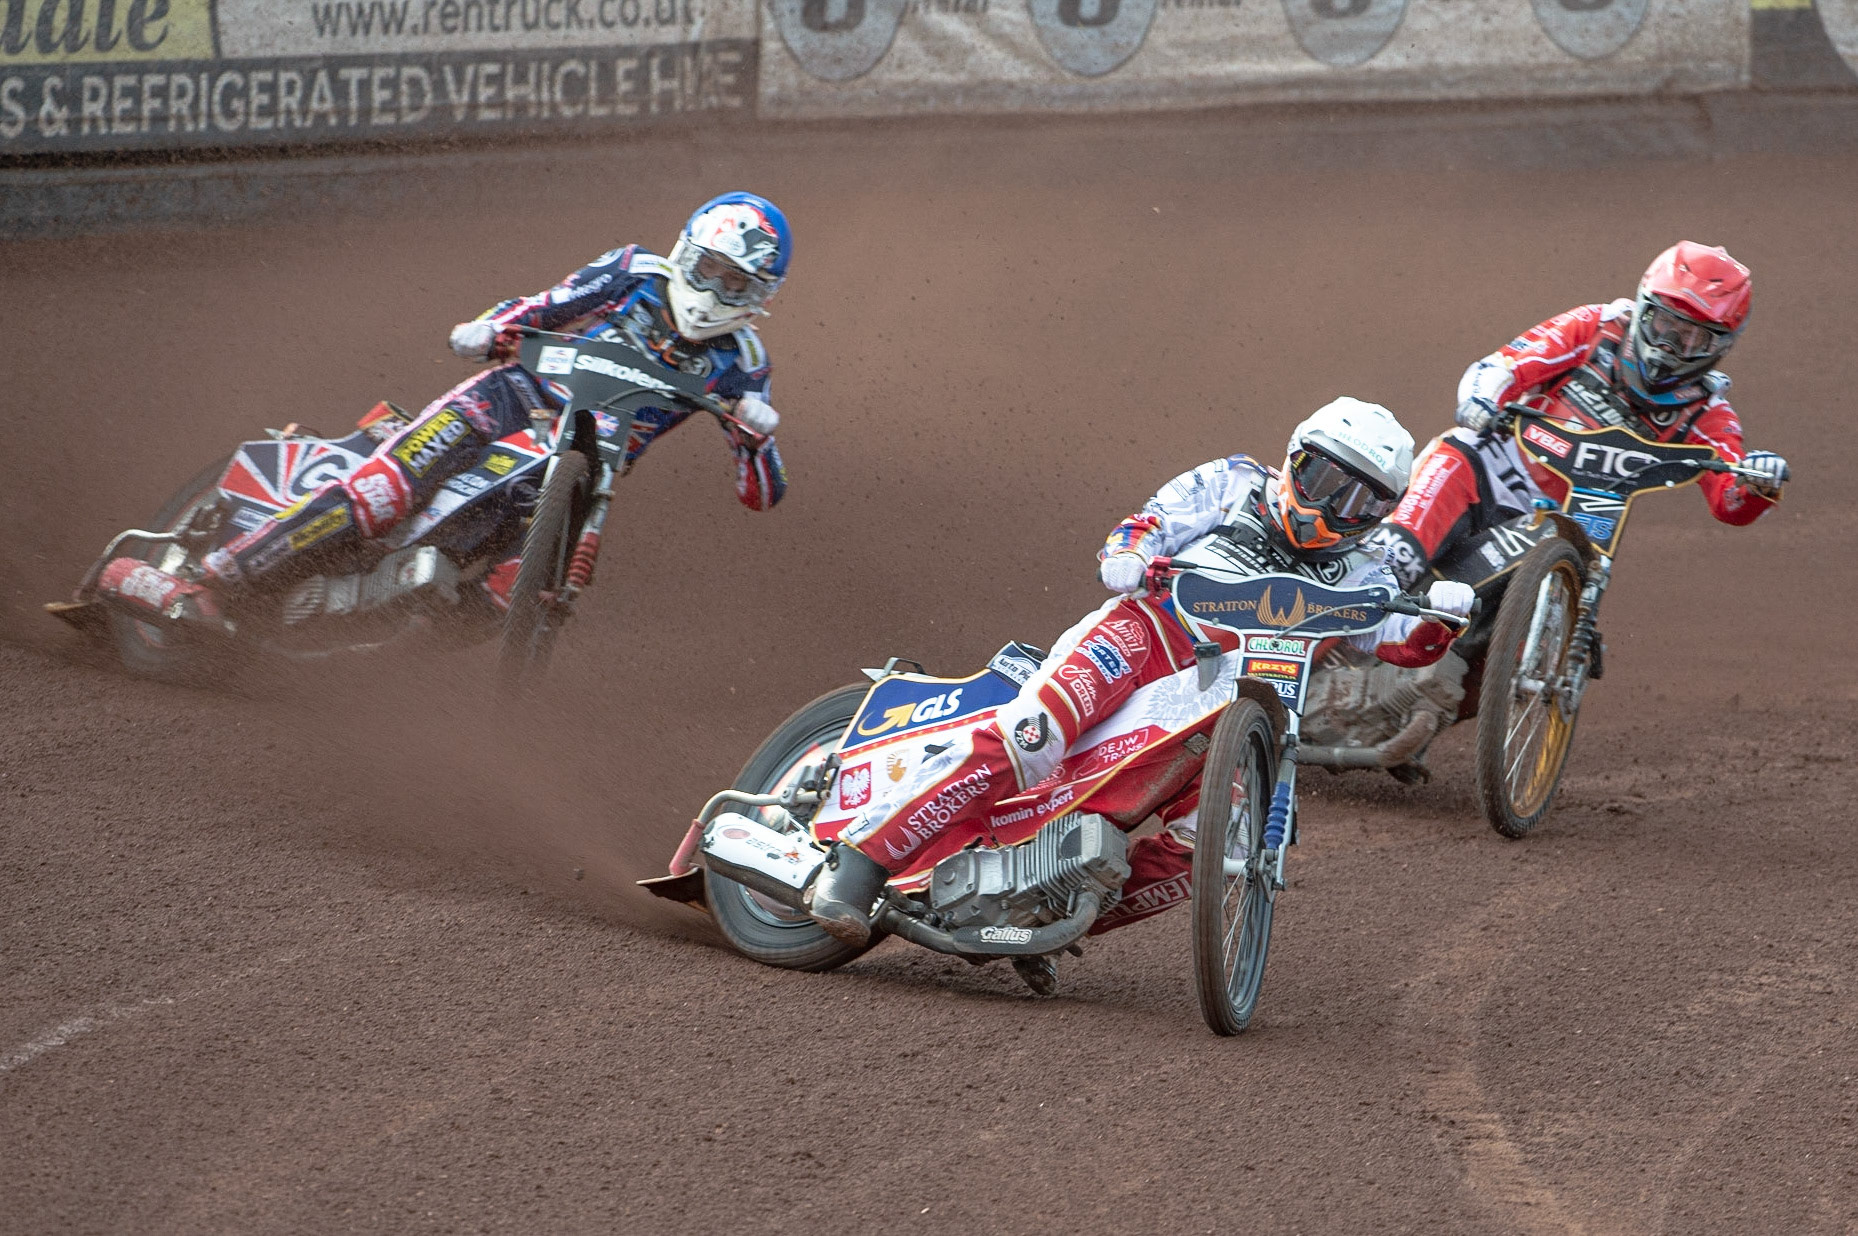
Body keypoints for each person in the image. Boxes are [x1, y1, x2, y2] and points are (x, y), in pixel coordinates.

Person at [806, 397, 1478, 947]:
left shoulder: (1366, 569)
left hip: (1233, 701)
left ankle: (1050, 918)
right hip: (1144, 637)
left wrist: (1440, 619)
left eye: (1359, 503)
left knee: (1216, 850)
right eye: (1326, 482)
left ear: (1380, 517)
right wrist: (1127, 554)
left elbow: (1399, 637)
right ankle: (860, 867)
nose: (1334, 509)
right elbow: (1147, 524)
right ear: (1294, 461)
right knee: (1032, 738)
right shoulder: (1234, 482)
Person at [97, 192, 793, 623]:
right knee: (381, 493)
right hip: (512, 398)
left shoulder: (745, 363)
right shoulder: (636, 271)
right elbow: (548, 305)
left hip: (582, 467)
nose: (714, 290)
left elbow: (760, 497)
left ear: (759, 294)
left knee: (519, 592)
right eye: (708, 270)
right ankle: (213, 581)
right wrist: (492, 329)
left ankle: (381, 652)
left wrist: (758, 439)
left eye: (736, 283)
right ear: (686, 253)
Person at [1371, 241, 1789, 589]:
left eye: (1691, 338)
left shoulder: (1708, 411)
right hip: (1491, 469)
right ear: (1643, 308)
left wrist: (1758, 484)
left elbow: (1729, 497)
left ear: (1720, 347)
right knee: (1395, 559)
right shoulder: (1595, 328)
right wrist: (1481, 401)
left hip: (1574, 523)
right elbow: (1504, 367)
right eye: (1663, 324)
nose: (1668, 346)